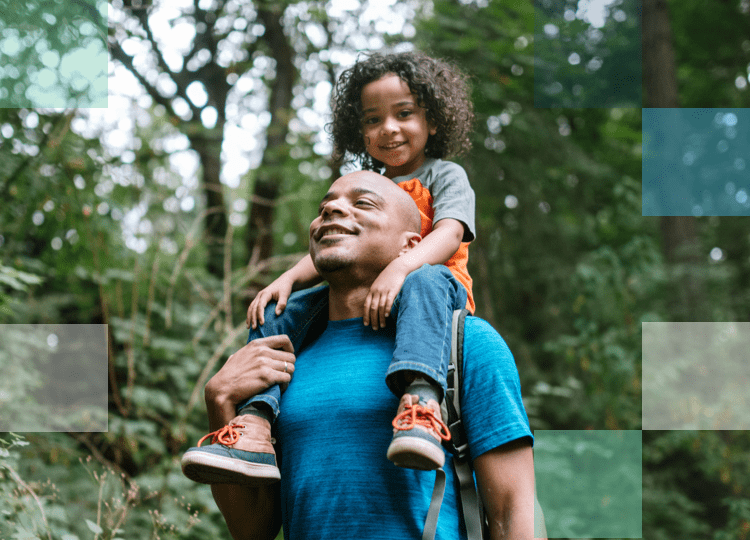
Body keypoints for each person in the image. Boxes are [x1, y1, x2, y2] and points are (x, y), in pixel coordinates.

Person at [182, 50, 476, 483]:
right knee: (280, 311)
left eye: (404, 114)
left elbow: (450, 234)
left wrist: (401, 268)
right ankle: (255, 423)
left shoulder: (444, 175)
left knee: (427, 279)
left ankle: (420, 402)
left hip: (432, 294)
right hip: (365, 296)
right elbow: (336, 245)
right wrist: (287, 279)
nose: (388, 129)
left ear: (433, 121)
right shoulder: (364, 182)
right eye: (373, 120)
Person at [196, 171, 538, 540]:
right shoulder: (280, 359)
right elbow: (252, 530)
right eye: (325, 206)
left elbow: (512, 512)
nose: (331, 210)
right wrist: (220, 401)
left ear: (410, 245)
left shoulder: (467, 343)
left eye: (362, 203)